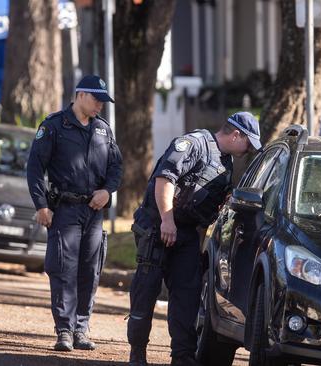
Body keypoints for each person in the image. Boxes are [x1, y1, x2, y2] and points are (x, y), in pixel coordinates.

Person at [127, 112, 262, 366]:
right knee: (146, 291)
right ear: (236, 135)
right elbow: (165, 179)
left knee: (187, 297)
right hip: (158, 227)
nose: (248, 150)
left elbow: (203, 211)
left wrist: (198, 244)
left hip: (186, 234)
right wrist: (167, 221)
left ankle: (182, 357)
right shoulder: (193, 144)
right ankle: (137, 353)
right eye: (248, 143)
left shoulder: (225, 162)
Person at [27, 75, 123, 351]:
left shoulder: (104, 130)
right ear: (80, 95)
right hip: (65, 210)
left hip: (93, 213)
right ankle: (64, 331)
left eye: (103, 102)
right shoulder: (55, 126)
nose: (100, 107)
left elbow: (116, 167)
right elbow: (35, 167)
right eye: (96, 100)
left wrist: (108, 191)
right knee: (63, 270)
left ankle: (82, 328)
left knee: (90, 271)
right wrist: (41, 205)